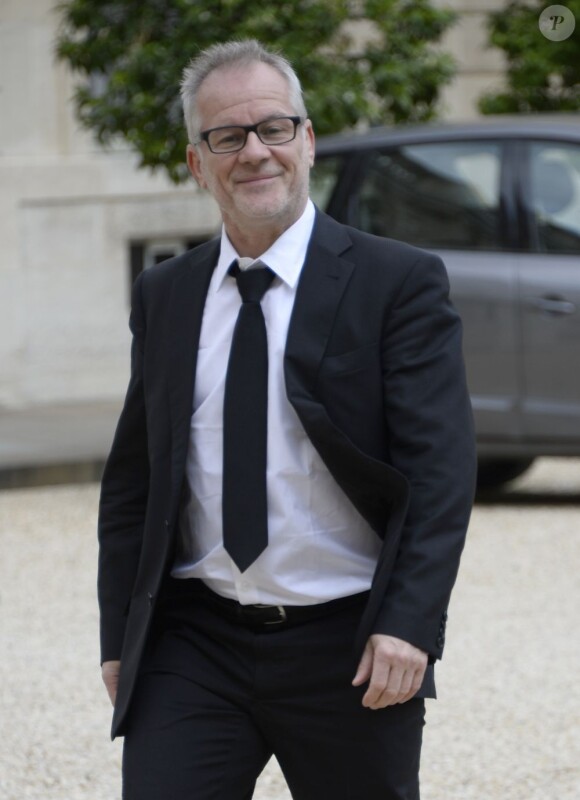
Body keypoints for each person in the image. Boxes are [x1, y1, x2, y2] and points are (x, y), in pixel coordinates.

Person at [98, 39, 477, 800]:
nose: (255, 151)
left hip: (348, 645)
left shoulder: (395, 283)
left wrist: (409, 624)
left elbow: (439, 472)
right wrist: (120, 638)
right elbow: (136, 480)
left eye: (274, 128)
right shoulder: (166, 294)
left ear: (306, 140)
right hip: (194, 642)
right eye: (227, 136)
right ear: (196, 163)